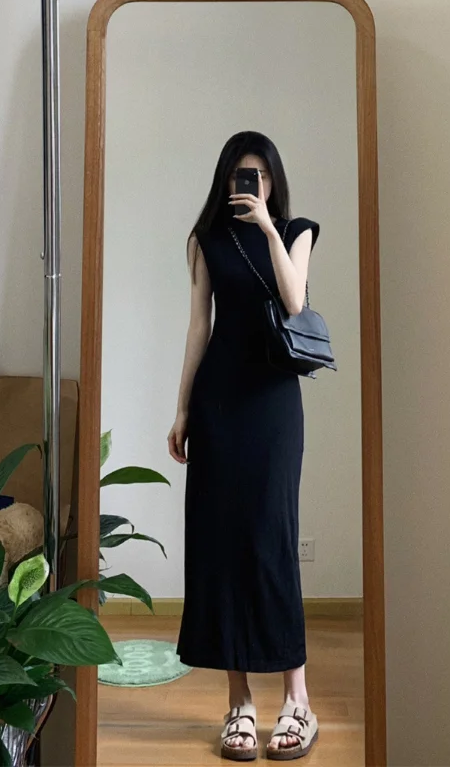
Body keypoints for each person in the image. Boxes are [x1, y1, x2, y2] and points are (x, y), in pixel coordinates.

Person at [167, 131, 321, 761]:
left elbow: (294, 299)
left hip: (273, 407)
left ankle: (298, 700)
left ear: (274, 181)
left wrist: (266, 228)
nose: (250, 184)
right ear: (225, 179)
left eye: (260, 175)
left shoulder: (298, 232)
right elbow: (198, 324)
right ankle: (239, 702)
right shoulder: (205, 240)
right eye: (241, 174)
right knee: (221, 544)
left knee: (272, 541)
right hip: (218, 404)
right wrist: (182, 408)